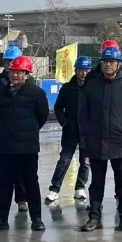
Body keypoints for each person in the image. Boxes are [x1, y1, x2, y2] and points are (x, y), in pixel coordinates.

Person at [0, 55, 50, 234]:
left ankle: (36, 219)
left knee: (31, 182)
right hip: (6, 145)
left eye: (19, 72)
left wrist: (29, 130)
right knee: (5, 182)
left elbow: (42, 116)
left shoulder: (36, 93)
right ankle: (2, 220)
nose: (15, 75)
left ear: (27, 74)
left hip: (28, 146)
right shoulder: (1, 93)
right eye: (13, 72)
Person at [77, 44, 122, 232]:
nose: (108, 65)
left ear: (118, 64)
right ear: (100, 64)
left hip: (119, 141)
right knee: (97, 182)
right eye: (105, 62)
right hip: (96, 140)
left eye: (112, 61)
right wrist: (87, 133)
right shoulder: (92, 85)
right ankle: (94, 217)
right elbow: (83, 113)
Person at [46, 55, 93, 204]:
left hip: (87, 132)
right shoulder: (67, 88)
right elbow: (58, 108)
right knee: (64, 160)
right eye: (80, 70)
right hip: (70, 130)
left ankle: (80, 188)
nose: (83, 73)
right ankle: (54, 189)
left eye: (86, 70)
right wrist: (64, 123)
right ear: (75, 71)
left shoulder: (93, 88)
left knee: (85, 162)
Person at [0, 46, 29, 215]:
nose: (10, 65)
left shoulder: (28, 81)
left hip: (20, 133)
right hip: (0, 132)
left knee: (20, 168)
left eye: (13, 61)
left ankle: (22, 199)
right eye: (7, 61)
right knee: (0, 169)